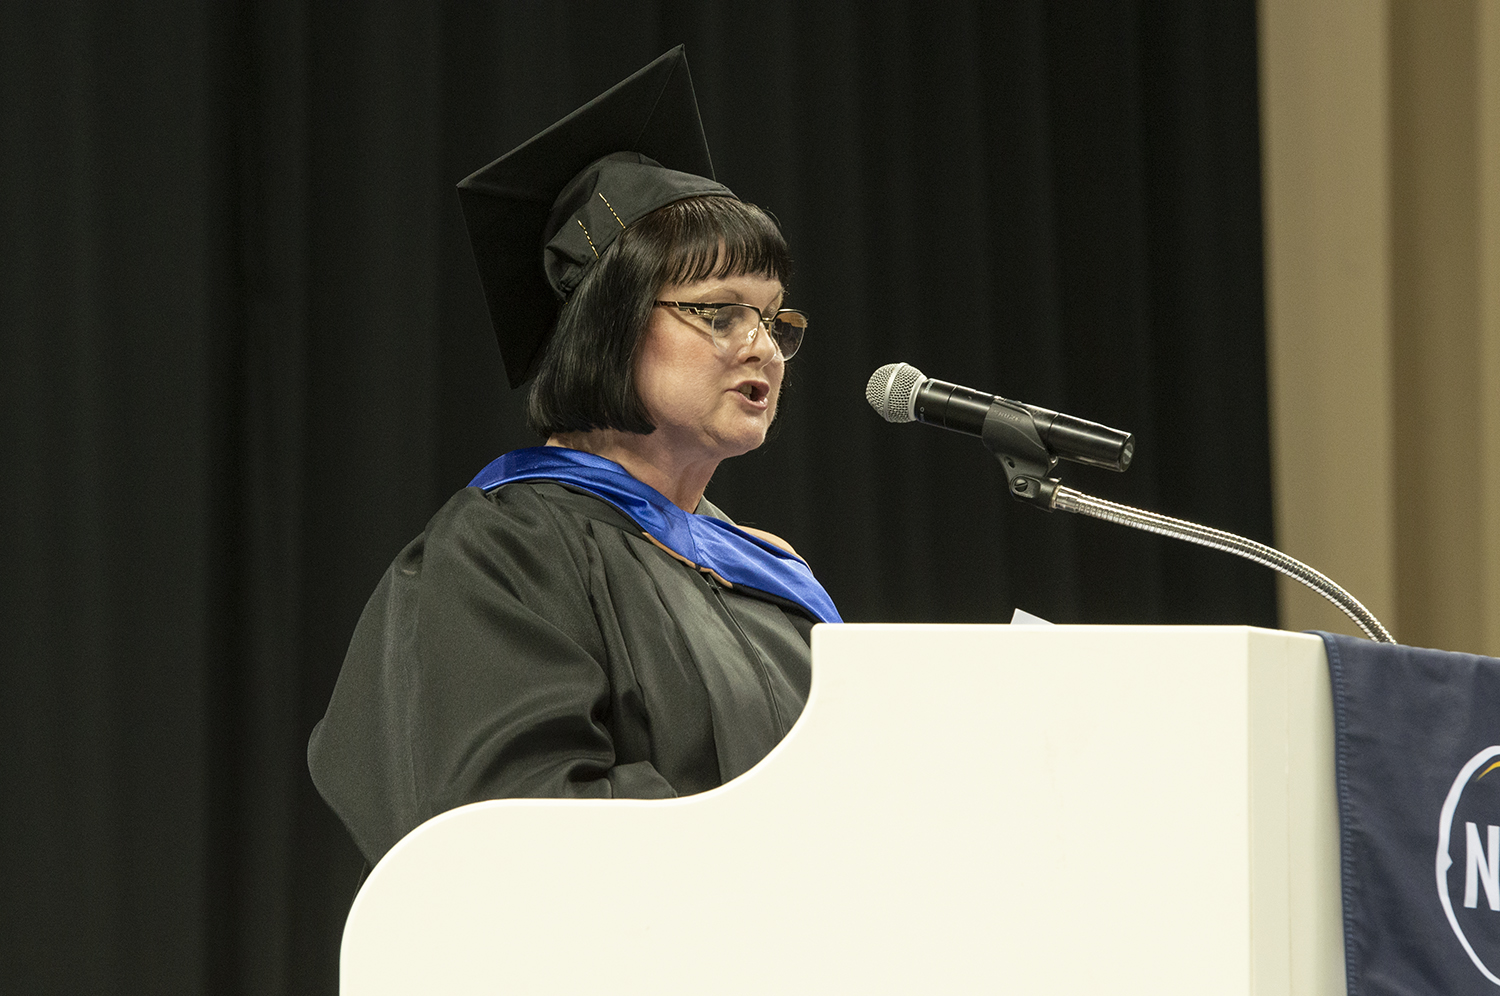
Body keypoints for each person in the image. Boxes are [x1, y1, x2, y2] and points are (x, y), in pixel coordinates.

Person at [307, 47, 841, 868]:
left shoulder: (770, 582)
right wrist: (770, 851)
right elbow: (513, 825)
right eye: (721, 313)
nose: (762, 348)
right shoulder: (506, 552)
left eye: (774, 320)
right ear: (610, 324)